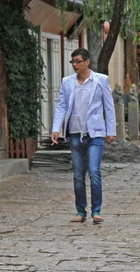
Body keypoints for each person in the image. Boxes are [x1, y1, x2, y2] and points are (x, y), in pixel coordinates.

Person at [51, 48, 116, 224]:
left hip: (95, 133)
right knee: (78, 174)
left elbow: (108, 107)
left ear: (87, 62)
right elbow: (61, 106)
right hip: (75, 133)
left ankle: (96, 210)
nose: (75, 65)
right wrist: (56, 128)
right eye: (73, 62)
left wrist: (111, 131)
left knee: (94, 171)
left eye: (78, 61)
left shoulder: (100, 80)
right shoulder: (67, 82)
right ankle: (80, 211)